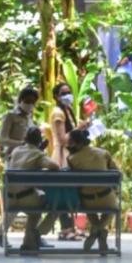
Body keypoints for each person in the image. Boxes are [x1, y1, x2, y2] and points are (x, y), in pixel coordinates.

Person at [0, 87, 41, 246]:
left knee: (24, 197)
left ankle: (29, 235)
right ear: (20, 100)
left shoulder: (30, 117)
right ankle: (1, 232)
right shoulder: (11, 117)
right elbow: (3, 139)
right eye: (27, 101)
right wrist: (22, 144)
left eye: (33, 102)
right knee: (15, 198)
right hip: (13, 160)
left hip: (29, 161)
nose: (30, 105)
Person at [64, 129, 119, 254]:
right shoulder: (103, 153)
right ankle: (99, 231)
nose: (68, 146)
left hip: (87, 200)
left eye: (70, 142)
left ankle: (96, 231)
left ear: (78, 143)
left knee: (88, 206)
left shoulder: (72, 158)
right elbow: (116, 173)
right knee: (113, 207)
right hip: (106, 198)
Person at [40, 83, 82, 243]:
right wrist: (80, 128)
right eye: (64, 93)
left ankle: (70, 228)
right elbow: (63, 139)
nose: (68, 95)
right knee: (63, 191)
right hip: (62, 155)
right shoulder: (58, 113)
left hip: (69, 154)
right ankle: (66, 228)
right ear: (56, 96)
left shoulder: (68, 109)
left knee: (68, 191)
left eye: (69, 92)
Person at [4, 126, 57, 251]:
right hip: (26, 197)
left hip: (10, 197)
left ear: (25, 138)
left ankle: (29, 239)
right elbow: (55, 166)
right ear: (39, 140)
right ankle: (30, 240)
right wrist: (41, 153)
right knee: (43, 206)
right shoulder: (37, 154)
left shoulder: (16, 150)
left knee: (35, 198)